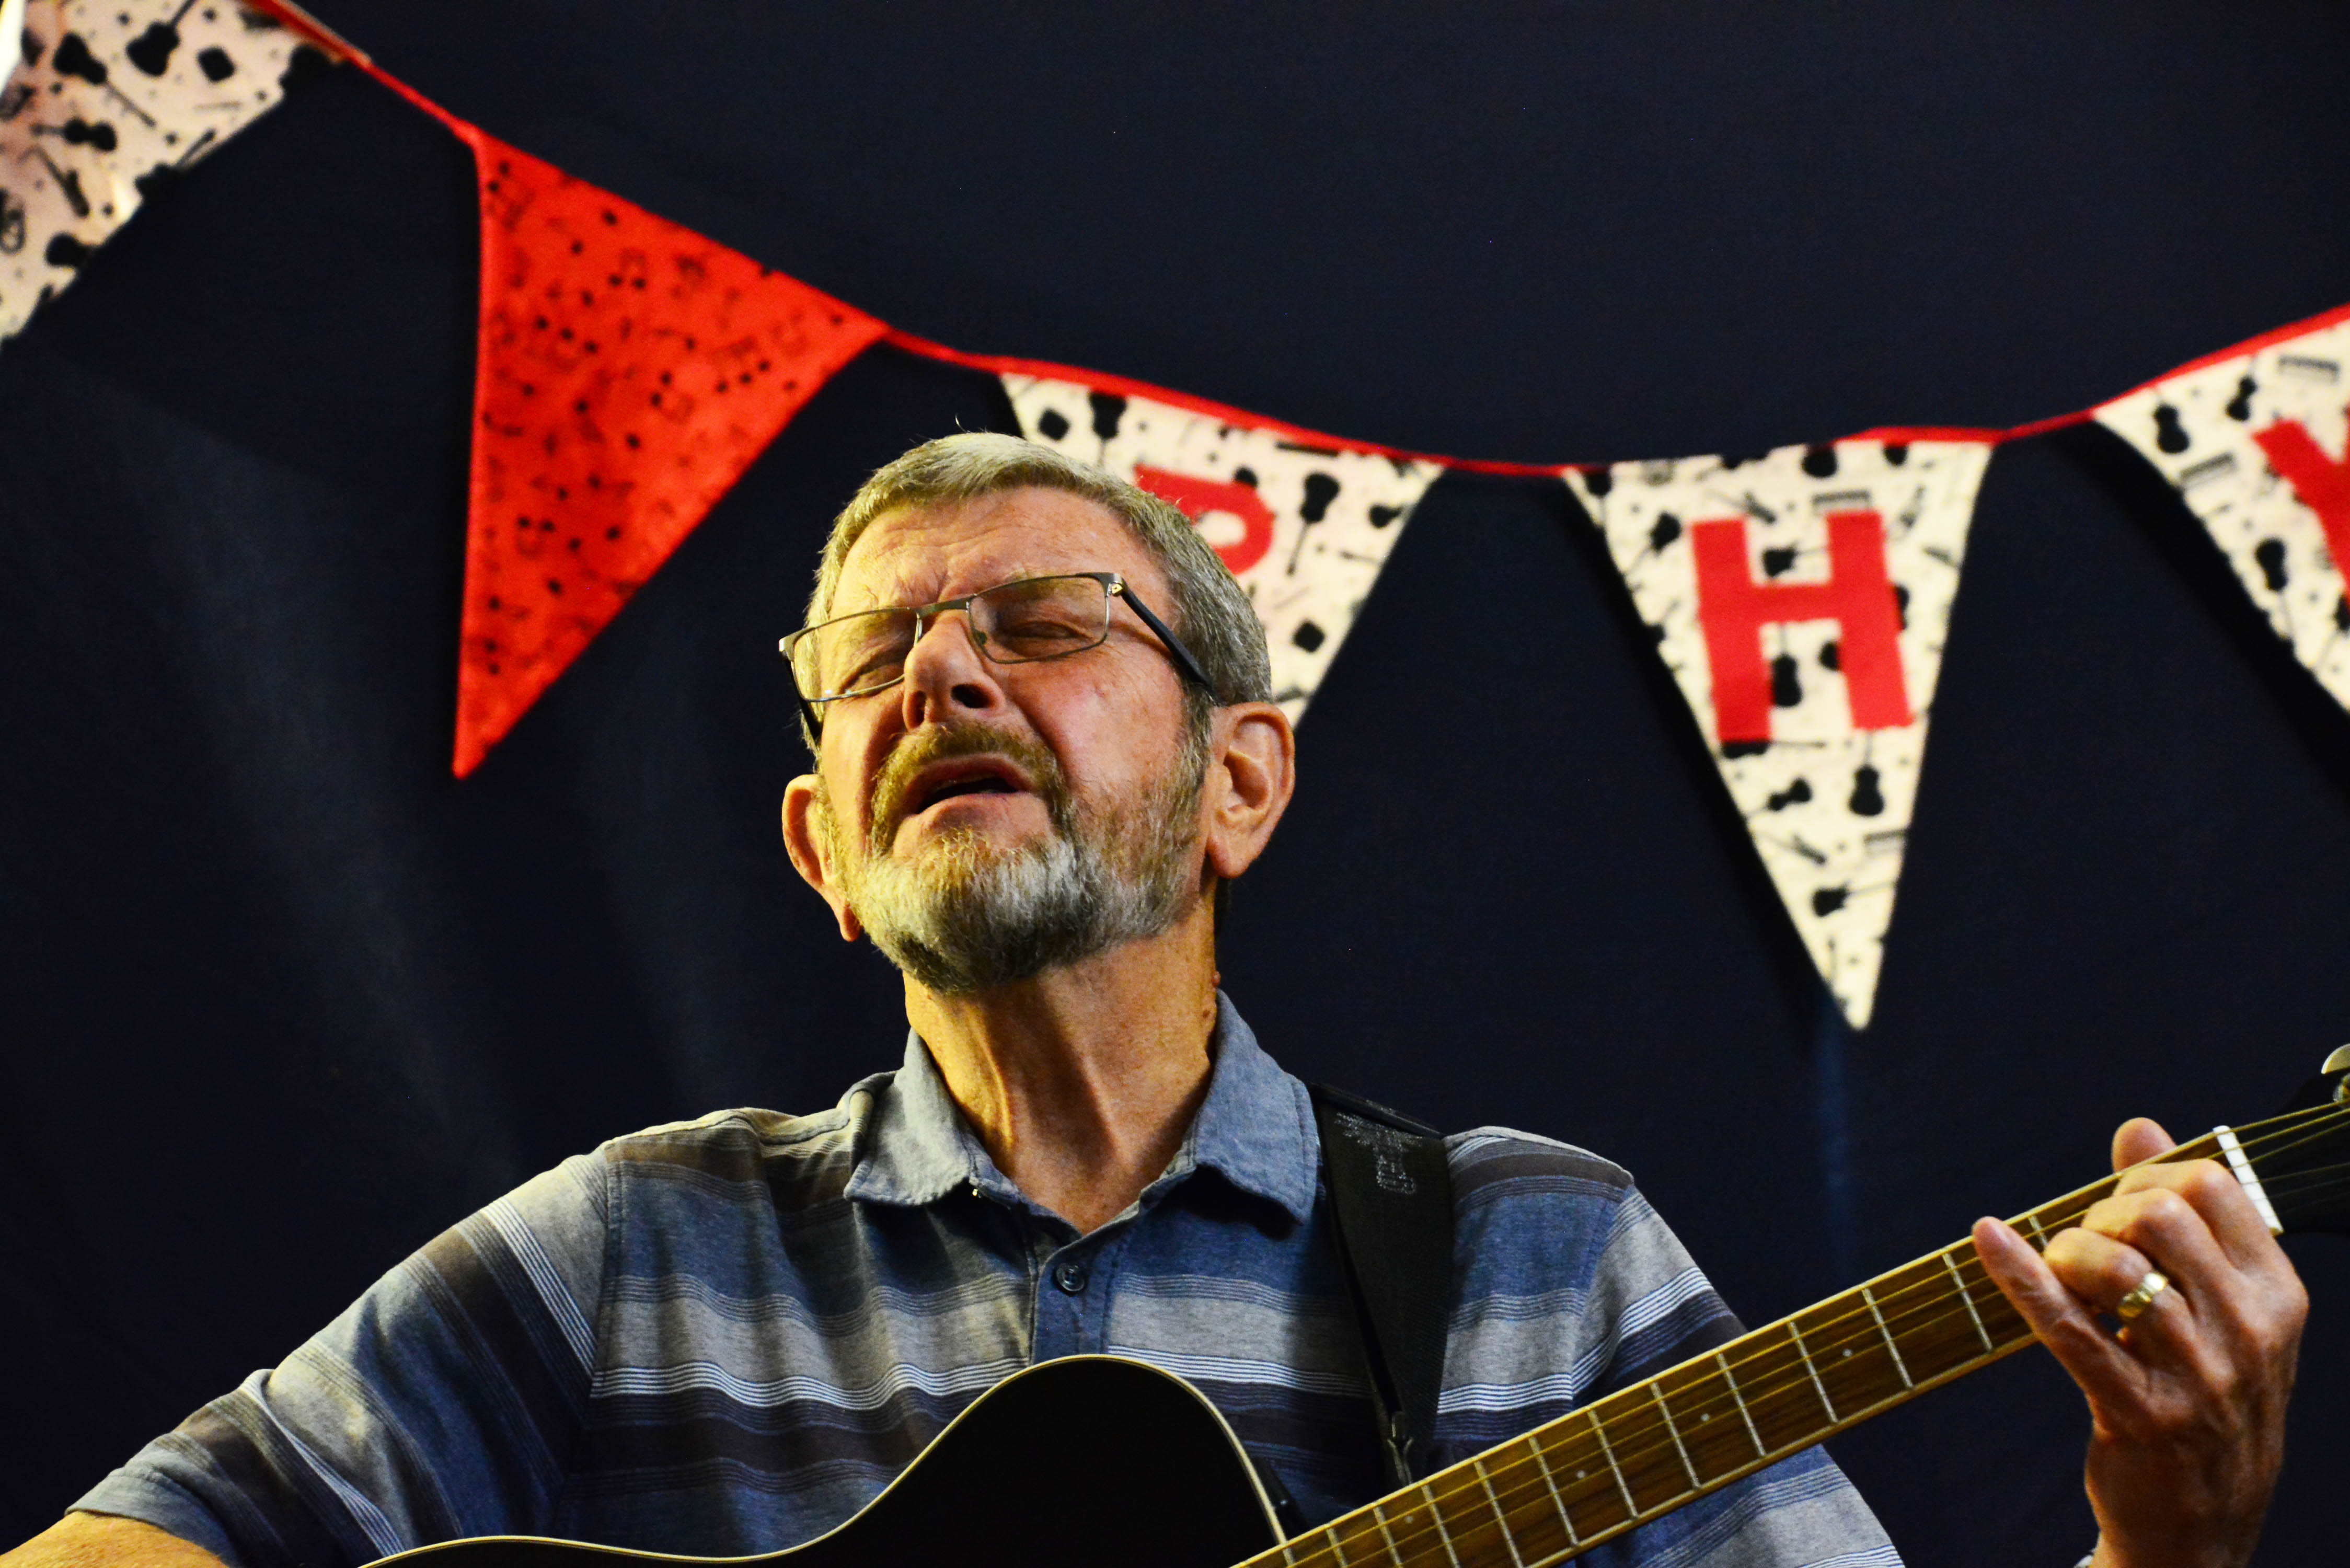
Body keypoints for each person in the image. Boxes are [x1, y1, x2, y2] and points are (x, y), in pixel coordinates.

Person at [4, 435, 2307, 1568]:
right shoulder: (636, 1252)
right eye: (875, 660)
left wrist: (2168, 1547)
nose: (943, 675)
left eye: (1041, 626)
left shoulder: (1539, 1256)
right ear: (822, 856)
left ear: (1238, 783)